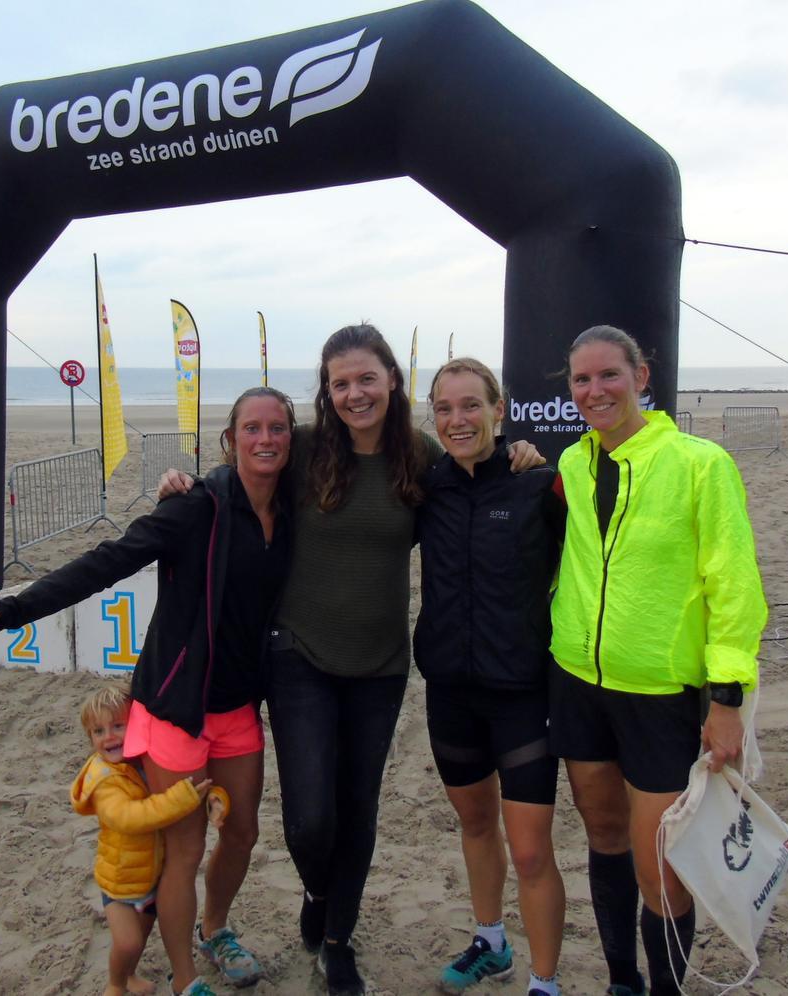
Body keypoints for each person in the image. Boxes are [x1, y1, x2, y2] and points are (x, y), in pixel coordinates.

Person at [159, 324, 542, 996]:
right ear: (327, 391)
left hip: (380, 665)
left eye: (367, 378)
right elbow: (247, 470)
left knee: (358, 810)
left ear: (391, 379)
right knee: (310, 818)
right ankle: (318, 890)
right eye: (340, 383)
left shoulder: (419, 454)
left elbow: (476, 469)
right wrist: (189, 483)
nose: (355, 393)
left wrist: (519, 452)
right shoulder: (308, 449)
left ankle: (338, 941)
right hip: (298, 656)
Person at [0, 386, 297, 996]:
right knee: (184, 851)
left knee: (242, 833)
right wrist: (13, 610)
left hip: (237, 705)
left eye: (278, 428)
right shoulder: (196, 508)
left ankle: (216, 929)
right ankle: (185, 980)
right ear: (230, 439)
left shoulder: (294, 510)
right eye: (252, 428)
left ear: (293, 438)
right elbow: (108, 560)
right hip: (174, 708)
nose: (265, 439)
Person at [547, 325, 766, 996]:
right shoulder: (572, 464)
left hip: (661, 694)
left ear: (641, 377)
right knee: (603, 835)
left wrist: (726, 698)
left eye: (609, 374)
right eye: (582, 379)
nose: (595, 390)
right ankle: (623, 981)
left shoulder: (700, 464)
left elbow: (735, 587)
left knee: (661, 868)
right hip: (577, 681)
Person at [414, 358, 567, 996]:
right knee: (475, 825)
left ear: (499, 411)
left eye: (471, 405)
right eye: (445, 409)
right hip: (451, 690)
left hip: (523, 694)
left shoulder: (539, 484)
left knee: (530, 850)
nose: (458, 420)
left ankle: (545, 982)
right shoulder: (427, 488)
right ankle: (491, 942)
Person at [71, 683, 210, 996]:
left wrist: (213, 799)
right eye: (98, 731)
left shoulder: (141, 764)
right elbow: (130, 818)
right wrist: (181, 799)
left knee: (140, 937)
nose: (109, 737)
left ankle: (129, 974)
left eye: (118, 726)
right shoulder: (104, 780)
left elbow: (192, 786)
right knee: (129, 942)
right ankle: (115, 984)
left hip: (150, 877)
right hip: (119, 884)